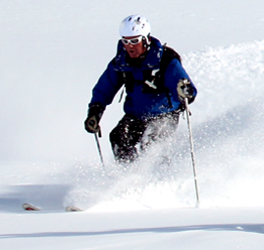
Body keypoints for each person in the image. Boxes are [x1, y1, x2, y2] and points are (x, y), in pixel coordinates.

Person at [84, 14, 197, 164]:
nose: (129, 46)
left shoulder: (164, 60)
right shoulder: (121, 62)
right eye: (125, 41)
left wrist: (185, 93)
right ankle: (128, 177)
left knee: (152, 145)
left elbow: (185, 87)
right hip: (136, 115)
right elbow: (105, 87)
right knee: (119, 137)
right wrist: (95, 112)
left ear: (146, 39)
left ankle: (161, 179)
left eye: (134, 41)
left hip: (164, 114)